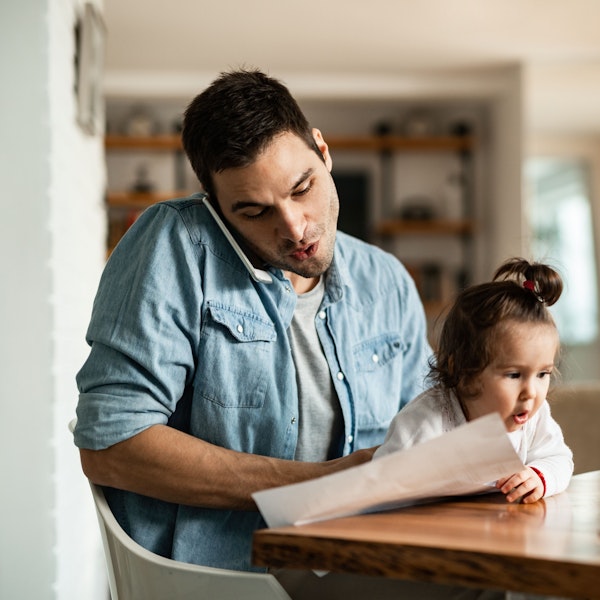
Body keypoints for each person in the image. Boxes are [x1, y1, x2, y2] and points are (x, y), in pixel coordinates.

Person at [73, 69, 434, 577]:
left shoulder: (386, 280)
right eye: (253, 211)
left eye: (302, 188)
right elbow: (113, 444)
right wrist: (318, 483)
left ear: (323, 151)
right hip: (223, 577)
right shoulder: (176, 244)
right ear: (216, 208)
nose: (293, 227)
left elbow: (432, 428)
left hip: (361, 561)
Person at [374, 258, 574, 504]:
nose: (530, 393)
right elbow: (379, 488)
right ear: (464, 374)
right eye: (514, 375)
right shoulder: (424, 424)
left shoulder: (534, 418)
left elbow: (559, 459)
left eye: (542, 374)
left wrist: (539, 477)